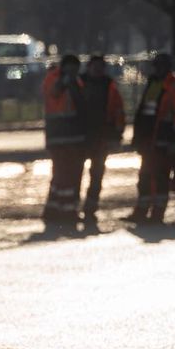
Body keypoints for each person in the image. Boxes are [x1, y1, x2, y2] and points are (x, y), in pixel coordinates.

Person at [125, 52, 175, 224]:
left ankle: (157, 213)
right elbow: (147, 112)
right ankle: (142, 211)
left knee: (160, 177)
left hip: (166, 141)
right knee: (145, 176)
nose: (158, 69)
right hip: (151, 141)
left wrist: (174, 141)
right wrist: (138, 137)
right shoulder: (155, 84)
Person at [42, 53, 87, 226]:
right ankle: (67, 210)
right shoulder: (54, 79)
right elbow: (54, 93)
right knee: (66, 175)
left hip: (70, 137)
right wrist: (66, 80)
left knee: (61, 175)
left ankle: (53, 208)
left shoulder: (76, 81)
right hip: (60, 136)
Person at [80, 54, 126, 225]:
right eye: (95, 66)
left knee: (97, 175)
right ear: (89, 66)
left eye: (101, 67)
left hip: (101, 138)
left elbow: (118, 111)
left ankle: (90, 209)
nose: (98, 70)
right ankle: (73, 208)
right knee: (76, 174)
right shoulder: (80, 83)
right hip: (82, 137)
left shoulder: (109, 86)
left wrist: (117, 135)